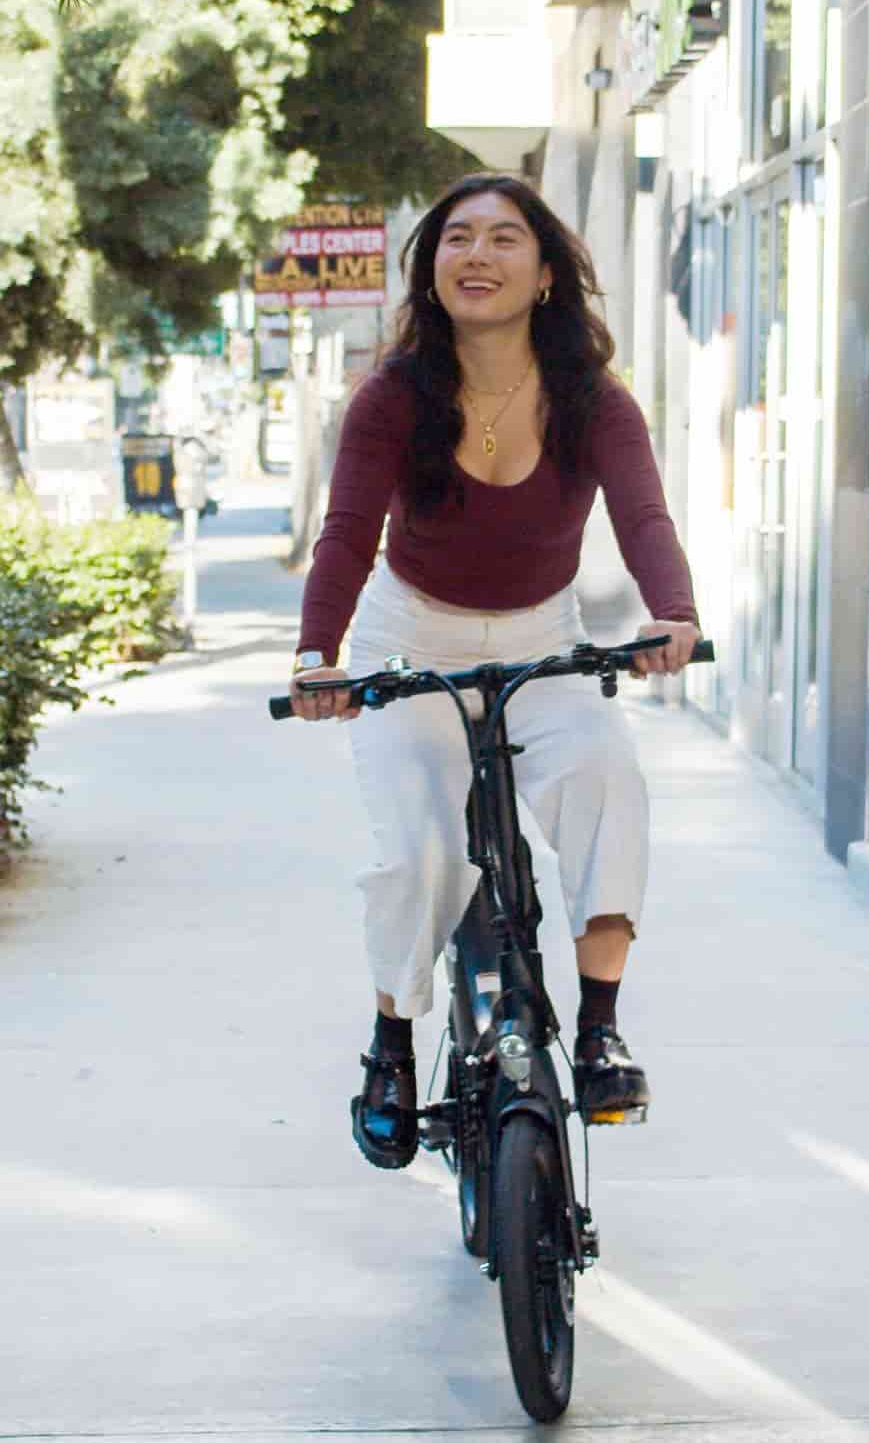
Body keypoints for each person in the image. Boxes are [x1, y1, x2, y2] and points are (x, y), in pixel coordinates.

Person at [290, 173, 700, 1172]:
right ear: (430, 273)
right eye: (456, 239)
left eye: (505, 238)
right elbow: (347, 533)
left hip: (540, 637)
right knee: (422, 848)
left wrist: (672, 612)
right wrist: (317, 654)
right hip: (410, 638)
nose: (478, 255)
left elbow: (642, 518)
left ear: (548, 272)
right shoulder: (391, 397)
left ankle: (598, 1027)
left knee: (606, 778)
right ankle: (391, 1045)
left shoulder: (593, 401)